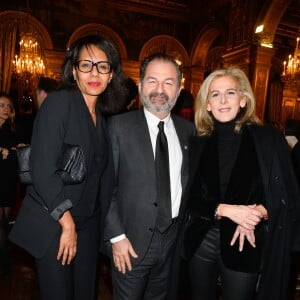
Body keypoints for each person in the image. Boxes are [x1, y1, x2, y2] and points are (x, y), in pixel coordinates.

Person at [9, 34, 127, 300]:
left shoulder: (103, 119)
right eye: (86, 65)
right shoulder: (60, 103)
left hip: (88, 226)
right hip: (58, 223)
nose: (94, 72)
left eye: (102, 66)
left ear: (111, 75)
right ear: (74, 71)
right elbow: (41, 169)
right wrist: (67, 223)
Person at [182, 67, 300, 300]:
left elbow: (288, 194)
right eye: (215, 94)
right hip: (201, 238)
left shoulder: (268, 139)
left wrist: (259, 212)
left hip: (247, 240)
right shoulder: (197, 143)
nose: (223, 100)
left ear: (243, 100)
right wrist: (226, 210)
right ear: (207, 104)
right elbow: (187, 198)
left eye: (231, 93)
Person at [104, 53, 194, 300]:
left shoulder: (190, 131)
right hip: (130, 243)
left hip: (173, 243)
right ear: (141, 85)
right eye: (152, 81)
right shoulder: (118, 127)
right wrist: (116, 236)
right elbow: (105, 187)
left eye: (168, 82)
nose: (160, 90)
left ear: (179, 89)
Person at [0, 93, 24, 275]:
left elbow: (17, 156)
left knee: (4, 222)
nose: (6, 109)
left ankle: (4, 258)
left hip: (7, 180)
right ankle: (4, 260)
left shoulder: (12, 130)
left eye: (8, 106)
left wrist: (10, 152)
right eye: (1, 105)